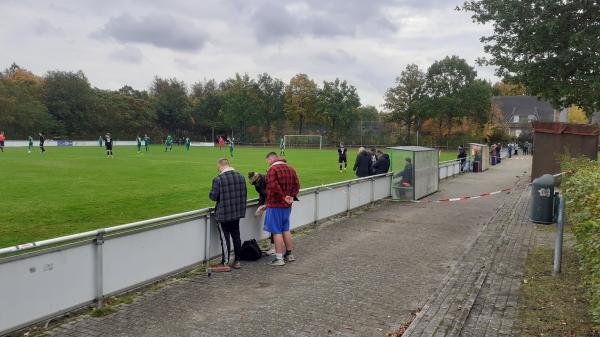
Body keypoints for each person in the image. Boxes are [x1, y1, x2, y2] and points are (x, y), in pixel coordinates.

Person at [209, 158, 247, 272]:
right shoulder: (241, 176)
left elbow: (213, 197)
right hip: (237, 212)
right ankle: (237, 260)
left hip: (224, 213)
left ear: (220, 166)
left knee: (225, 238)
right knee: (236, 235)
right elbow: (244, 194)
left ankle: (225, 263)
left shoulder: (218, 179)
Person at [264, 152, 300, 266]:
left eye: (267, 161)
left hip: (275, 205)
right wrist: (291, 196)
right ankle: (289, 254)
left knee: (276, 231)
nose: (268, 164)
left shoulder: (272, 170)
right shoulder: (291, 169)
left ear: (271, 159)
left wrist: (283, 197)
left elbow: (274, 186)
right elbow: (297, 185)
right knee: (285, 229)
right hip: (287, 205)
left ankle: (279, 258)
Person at [248, 171, 274, 254]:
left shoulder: (267, 179)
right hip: (269, 205)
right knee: (272, 226)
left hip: (275, 205)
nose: (255, 184)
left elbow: (272, 194)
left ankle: (275, 247)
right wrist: (259, 207)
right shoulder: (257, 186)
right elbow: (262, 196)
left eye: (255, 182)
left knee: (274, 226)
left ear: (258, 178)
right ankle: (274, 246)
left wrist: (265, 205)